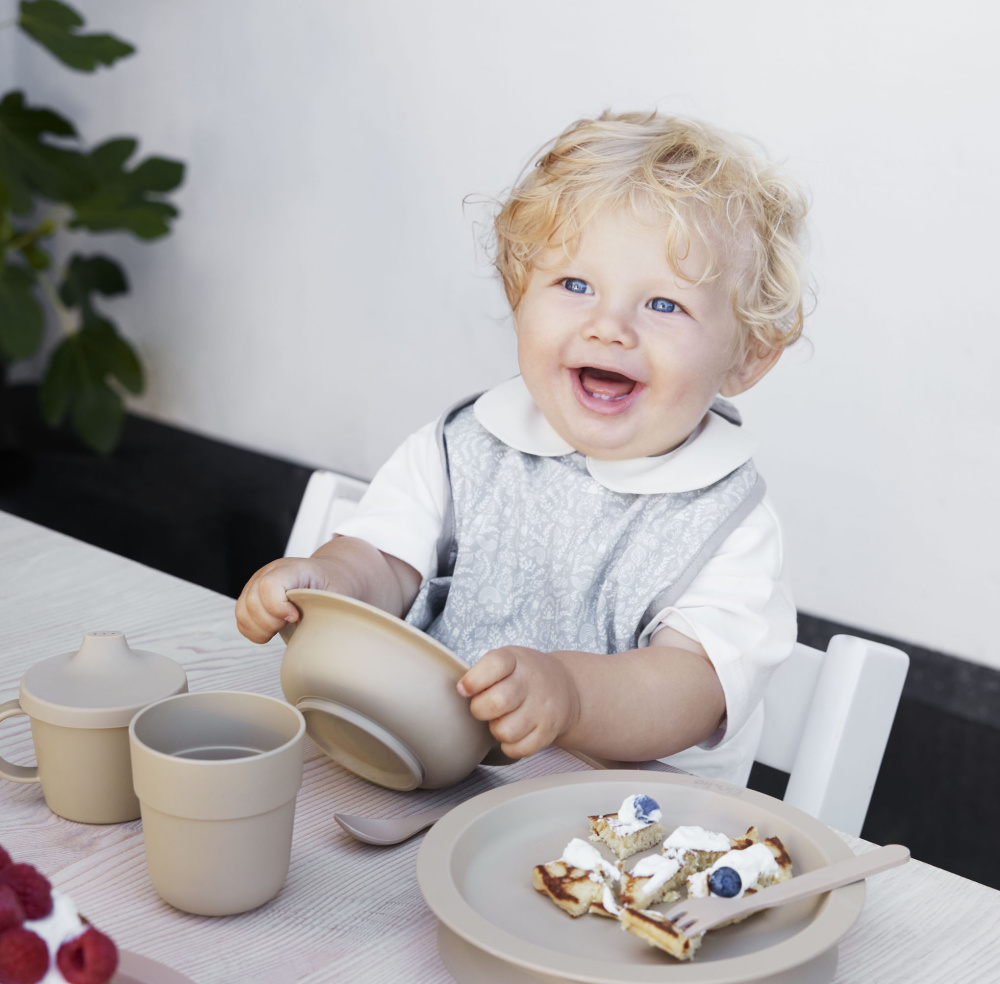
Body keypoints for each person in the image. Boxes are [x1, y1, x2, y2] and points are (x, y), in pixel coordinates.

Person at [236, 110, 808, 785]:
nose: (608, 327)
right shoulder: (465, 447)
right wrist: (329, 584)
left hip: (614, 840)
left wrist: (570, 693)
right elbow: (383, 561)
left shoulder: (726, 524)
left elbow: (688, 690)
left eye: (663, 305)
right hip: (430, 783)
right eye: (574, 285)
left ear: (747, 358)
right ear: (518, 296)